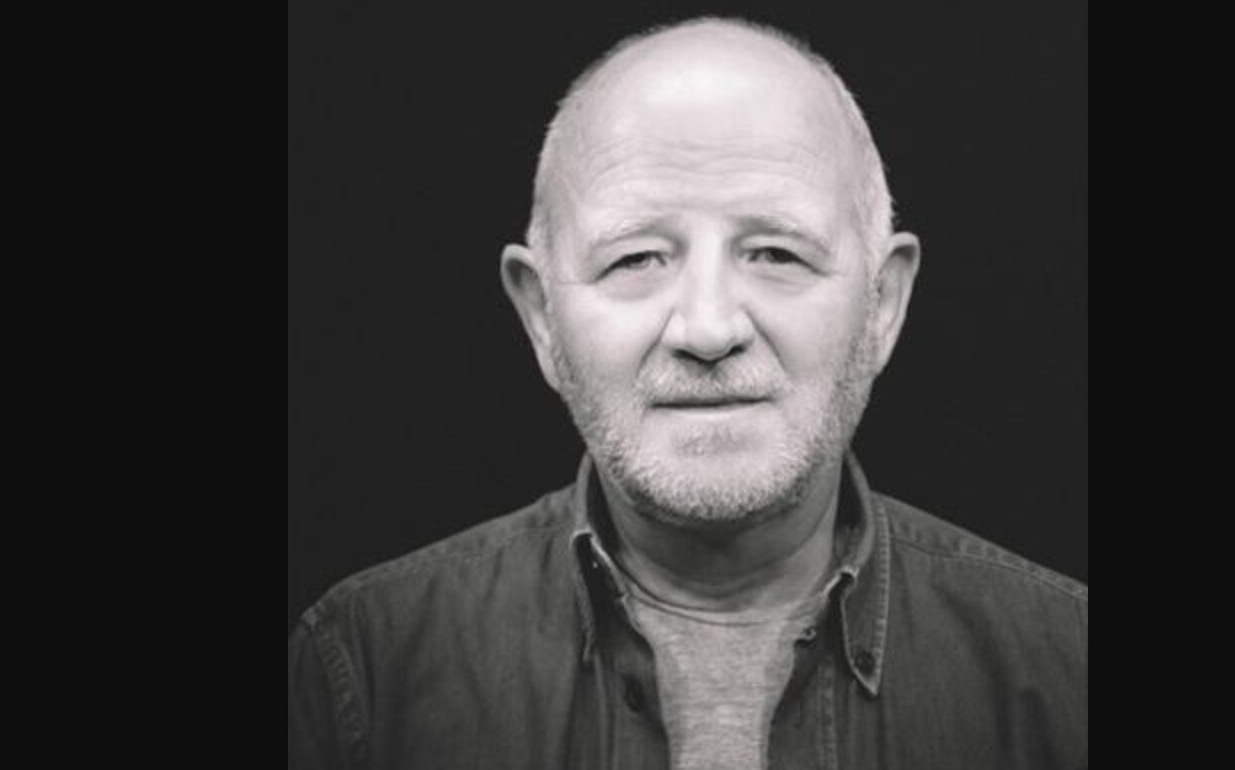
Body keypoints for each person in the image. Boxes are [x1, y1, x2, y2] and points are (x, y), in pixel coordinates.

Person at [289, 16, 1086, 770]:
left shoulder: (1069, 668)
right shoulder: (363, 668)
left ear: (882, 305)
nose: (707, 329)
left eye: (776, 254)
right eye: (636, 259)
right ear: (541, 317)